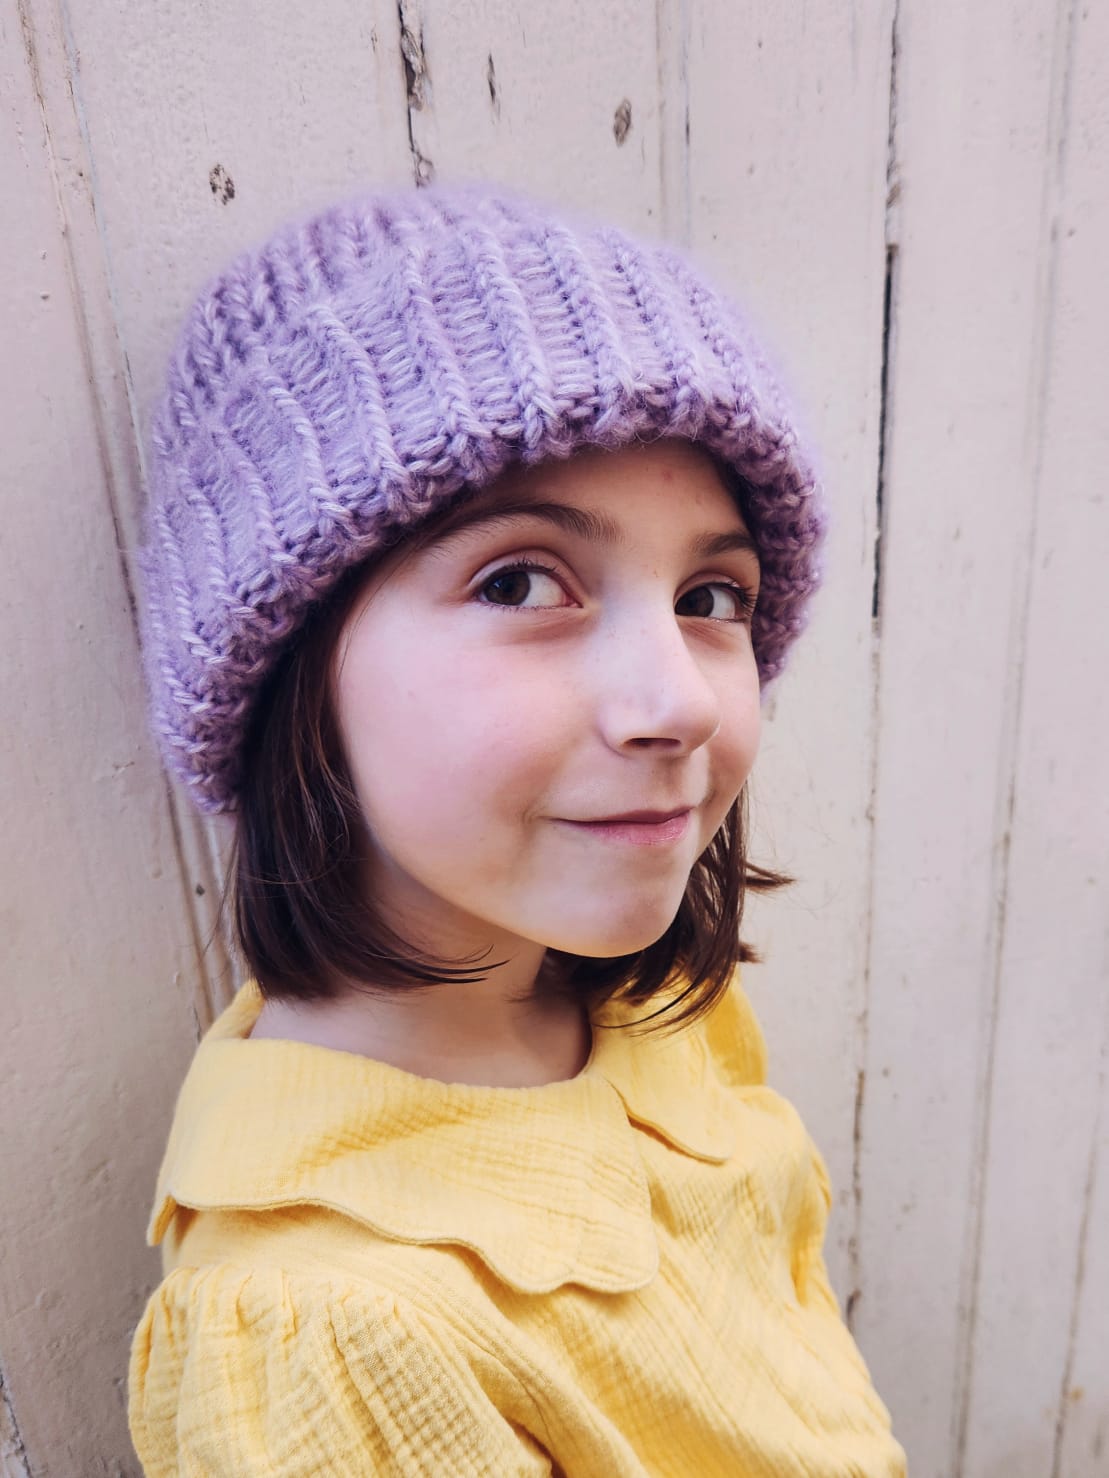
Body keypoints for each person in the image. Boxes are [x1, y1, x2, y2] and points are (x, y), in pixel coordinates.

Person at [126, 181, 907, 1476]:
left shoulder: (658, 1010)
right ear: (287, 667)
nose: (678, 701)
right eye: (521, 581)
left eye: (711, 596)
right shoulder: (333, 1328)